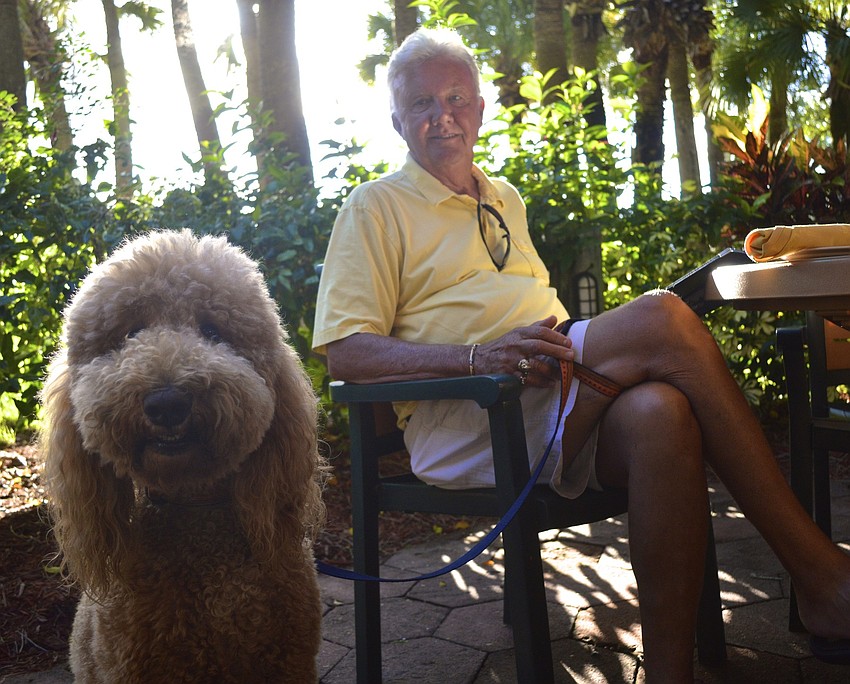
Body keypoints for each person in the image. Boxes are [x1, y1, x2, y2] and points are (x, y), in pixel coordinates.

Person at [313, 27, 850, 681]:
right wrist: (480, 359)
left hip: (546, 396)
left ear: (481, 109)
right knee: (663, 315)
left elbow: (542, 318)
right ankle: (822, 578)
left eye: (457, 97)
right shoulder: (374, 207)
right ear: (399, 120)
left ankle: (671, 674)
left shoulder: (503, 196)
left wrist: (563, 346)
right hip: (475, 421)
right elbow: (345, 355)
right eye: (423, 103)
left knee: (662, 414)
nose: (442, 116)